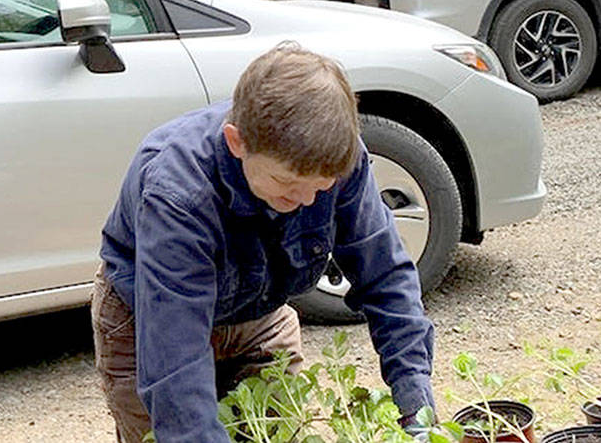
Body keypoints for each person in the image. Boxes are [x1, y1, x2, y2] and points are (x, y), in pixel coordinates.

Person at [93, 42, 435, 443]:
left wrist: (417, 413)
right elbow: (176, 370)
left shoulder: (338, 159)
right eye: (286, 183)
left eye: (319, 188)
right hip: (150, 317)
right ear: (237, 142)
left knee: (274, 433)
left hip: (258, 313)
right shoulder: (179, 194)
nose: (306, 201)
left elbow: (387, 279)